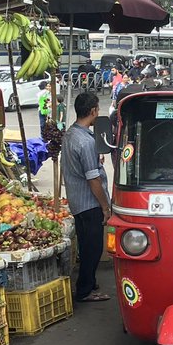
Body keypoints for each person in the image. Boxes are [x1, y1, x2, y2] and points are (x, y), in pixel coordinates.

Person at [61, 92, 112, 303]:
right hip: (90, 202)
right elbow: (93, 179)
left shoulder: (70, 134)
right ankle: (84, 290)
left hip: (77, 200)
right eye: (97, 109)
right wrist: (105, 207)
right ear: (93, 111)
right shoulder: (86, 142)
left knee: (86, 243)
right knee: (93, 247)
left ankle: (89, 281)